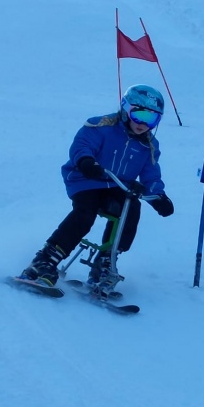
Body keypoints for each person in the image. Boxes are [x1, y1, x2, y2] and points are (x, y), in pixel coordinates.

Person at [19, 84, 175, 289]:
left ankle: (106, 260)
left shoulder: (149, 145)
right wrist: (86, 161)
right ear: (126, 109)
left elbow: (151, 174)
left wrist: (158, 197)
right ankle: (45, 260)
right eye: (139, 115)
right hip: (87, 179)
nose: (143, 124)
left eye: (152, 119)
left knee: (131, 208)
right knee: (86, 213)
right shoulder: (101, 126)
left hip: (118, 186)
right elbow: (82, 145)